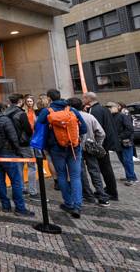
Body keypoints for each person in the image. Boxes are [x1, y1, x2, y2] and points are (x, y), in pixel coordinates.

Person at [36, 89, 86, 218]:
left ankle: (68, 203)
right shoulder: (72, 110)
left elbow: (38, 128)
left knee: (62, 175)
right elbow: (84, 128)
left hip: (56, 149)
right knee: (75, 176)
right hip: (74, 148)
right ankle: (77, 205)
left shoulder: (46, 112)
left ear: (49, 98)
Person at [0, 101, 34, 216]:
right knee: (16, 181)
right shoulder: (5, 120)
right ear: (1, 109)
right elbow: (13, 137)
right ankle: (20, 208)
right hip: (8, 153)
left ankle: (5, 206)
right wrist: (18, 151)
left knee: (0, 181)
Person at [67, 97, 109, 206]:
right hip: (90, 147)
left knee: (81, 172)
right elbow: (101, 133)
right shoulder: (89, 117)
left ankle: (88, 196)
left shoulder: (70, 117)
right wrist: (97, 144)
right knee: (94, 171)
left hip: (76, 148)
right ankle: (102, 196)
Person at [83, 92, 119, 201]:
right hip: (106, 143)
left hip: (102, 145)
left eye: (84, 98)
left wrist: (97, 146)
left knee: (105, 168)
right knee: (106, 168)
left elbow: (97, 130)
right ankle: (110, 190)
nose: (83, 100)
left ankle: (111, 192)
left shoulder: (95, 111)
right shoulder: (103, 109)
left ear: (89, 99)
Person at [4, 94, 37, 200]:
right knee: (32, 166)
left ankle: (21, 188)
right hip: (24, 143)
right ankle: (33, 190)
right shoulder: (20, 113)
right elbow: (28, 129)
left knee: (19, 167)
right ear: (20, 101)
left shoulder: (5, 113)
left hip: (12, 144)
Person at [107, 102, 137, 186]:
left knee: (127, 161)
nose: (109, 108)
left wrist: (119, 137)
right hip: (118, 143)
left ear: (117, 107)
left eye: (110, 107)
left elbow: (130, 129)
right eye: (108, 107)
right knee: (123, 160)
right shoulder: (111, 117)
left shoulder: (122, 116)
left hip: (125, 142)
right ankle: (130, 176)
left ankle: (132, 178)